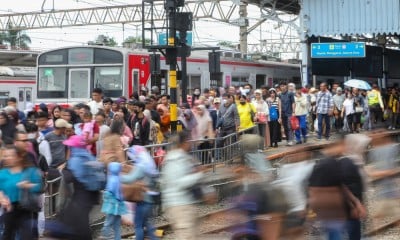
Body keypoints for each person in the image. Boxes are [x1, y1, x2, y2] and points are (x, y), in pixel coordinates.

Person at [53, 135, 100, 240]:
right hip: (92, 196)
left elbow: (68, 178)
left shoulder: (75, 161)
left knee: (75, 225)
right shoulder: (89, 156)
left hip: (81, 198)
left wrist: (62, 170)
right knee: (81, 224)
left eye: (71, 147)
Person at [161, 131, 204, 240]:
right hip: (180, 205)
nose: (190, 143)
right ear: (183, 143)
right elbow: (179, 182)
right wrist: (198, 175)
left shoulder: (182, 158)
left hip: (183, 204)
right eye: (188, 141)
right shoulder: (175, 159)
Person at [0, 146, 42, 239]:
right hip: (9, 209)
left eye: (10, 156)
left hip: (26, 209)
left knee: (26, 236)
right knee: (7, 235)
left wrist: (28, 185)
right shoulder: (2, 173)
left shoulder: (31, 171)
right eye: (5, 156)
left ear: (19, 157)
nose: (7, 158)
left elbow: (40, 187)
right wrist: (2, 198)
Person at [121, 146, 160, 240]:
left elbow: (130, 178)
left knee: (138, 225)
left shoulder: (141, 167)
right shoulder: (149, 165)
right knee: (147, 223)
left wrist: (118, 175)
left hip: (142, 200)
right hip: (150, 200)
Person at [100, 162, 127, 240]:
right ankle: (114, 237)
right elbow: (119, 194)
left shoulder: (111, 178)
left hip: (112, 206)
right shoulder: (118, 178)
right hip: (117, 206)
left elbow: (109, 192)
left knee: (108, 222)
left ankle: (106, 236)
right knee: (116, 225)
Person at [279, 82, 295, 146]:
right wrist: (279, 116)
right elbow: (279, 105)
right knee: (285, 127)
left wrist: (293, 112)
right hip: (283, 113)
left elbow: (293, 103)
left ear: (286, 86)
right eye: (281, 86)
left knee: (289, 127)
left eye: (283, 86)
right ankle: (288, 140)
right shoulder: (279, 94)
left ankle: (290, 140)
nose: (282, 87)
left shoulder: (290, 93)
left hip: (289, 113)